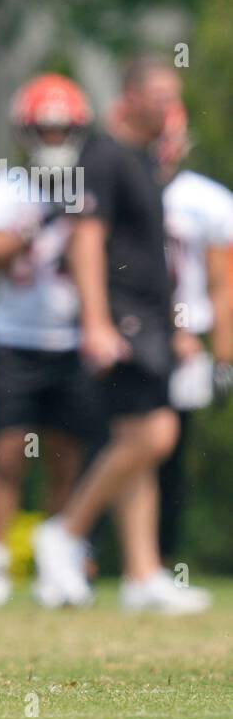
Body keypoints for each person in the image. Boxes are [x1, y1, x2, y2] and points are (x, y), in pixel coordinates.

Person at [32, 56, 210, 613]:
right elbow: (85, 238)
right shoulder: (103, 155)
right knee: (153, 435)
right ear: (129, 97)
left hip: (150, 319)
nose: (169, 108)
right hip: (123, 317)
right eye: (159, 96)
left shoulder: (139, 161)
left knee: (140, 442)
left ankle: (142, 572)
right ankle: (66, 532)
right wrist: (95, 321)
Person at [0, 74, 103, 608]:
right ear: (24, 132)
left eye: (64, 130)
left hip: (72, 340)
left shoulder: (93, 191)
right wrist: (37, 222)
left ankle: (56, 560)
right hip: (15, 340)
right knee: (5, 455)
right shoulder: (0, 191)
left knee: (66, 457)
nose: (55, 139)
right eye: (46, 129)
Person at [154, 100, 233, 560]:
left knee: (171, 454)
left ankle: (159, 561)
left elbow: (223, 285)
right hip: (134, 335)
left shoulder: (207, 200)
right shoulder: (119, 186)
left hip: (187, 341)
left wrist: (222, 354)